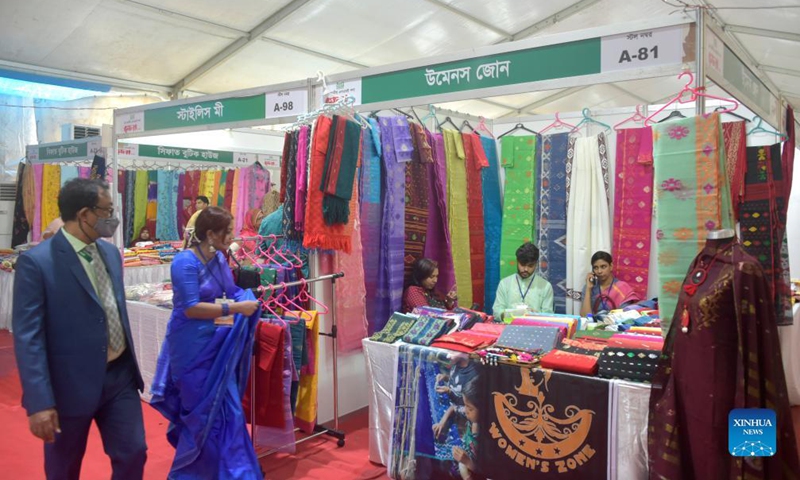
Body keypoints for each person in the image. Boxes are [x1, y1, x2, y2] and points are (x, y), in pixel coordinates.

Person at [13, 178, 147, 479]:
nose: (113, 218)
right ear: (86, 214)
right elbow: (28, 337)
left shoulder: (111, 254)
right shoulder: (37, 263)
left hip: (119, 377)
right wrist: (39, 401)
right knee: (64, 467)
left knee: (134, 452)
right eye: (107, 210)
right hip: (68, 384)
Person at [150, 206, 263, 479]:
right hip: (191, 349)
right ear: (210, 234)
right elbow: (190, 308)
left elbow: (230, 292)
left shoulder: (220, 259)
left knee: (229, 411)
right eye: (227, 232)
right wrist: (237, 310)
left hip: (217, 345)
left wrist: (250, 298)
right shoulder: (184, 263)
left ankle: (232, 472)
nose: (232, 235)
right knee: (202, 416)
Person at [492, 242, 554, 318]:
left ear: (536, 264)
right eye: (522, 265)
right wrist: (512, 314)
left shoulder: (545, 286)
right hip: (508, 327)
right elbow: (496, 312)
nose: (525, 269)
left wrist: (535, 314)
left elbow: (549, 315)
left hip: (535, 328)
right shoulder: (504, 283)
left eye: (530, 266)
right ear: (517, 262)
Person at [579, 251, 641, 316]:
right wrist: (588, 289)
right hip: (592, 325)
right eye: (596, 268)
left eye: (603, 267)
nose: (599, 271)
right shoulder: (589, 287)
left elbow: (625, 316)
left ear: (611, 266)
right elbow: (584, 316)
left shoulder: (622, 288)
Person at [453, 379, 482, 480]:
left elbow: (491, 473)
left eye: (470, 408)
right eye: (465, 405)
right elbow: (454, 408)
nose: (465, 411)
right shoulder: (472, 419)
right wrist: (442, 422)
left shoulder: (488, 437)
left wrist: (468, 462)